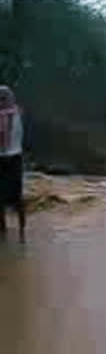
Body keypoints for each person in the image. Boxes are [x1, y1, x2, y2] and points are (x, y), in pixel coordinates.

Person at [0, 86, 24, 241]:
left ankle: (20, 232)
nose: (1, 102)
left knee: (14, 197)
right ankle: (6, 230)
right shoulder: (14, 113)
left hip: (10, 158)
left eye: (3, 98)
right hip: (9, 158)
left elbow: (9, 137)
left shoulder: (11, 116)